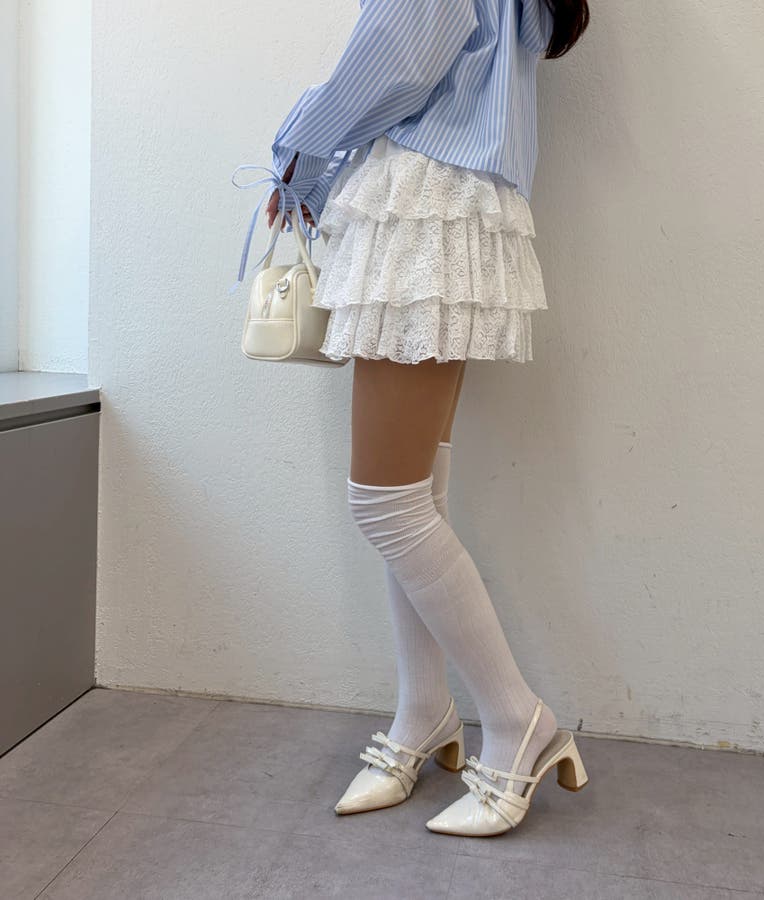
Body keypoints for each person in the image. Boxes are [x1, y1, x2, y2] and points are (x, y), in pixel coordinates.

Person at [235, 0, 591, 837]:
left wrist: (299, 155)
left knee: (386, 503)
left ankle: (518, 720)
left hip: (421, 205)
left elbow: (395, 55)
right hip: (460, 207)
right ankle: (423, 713)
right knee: (416, 494)